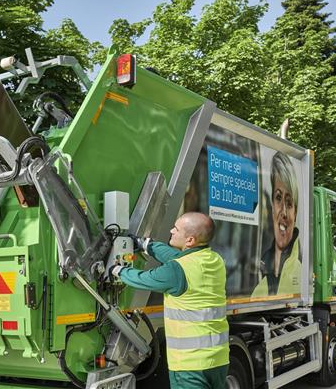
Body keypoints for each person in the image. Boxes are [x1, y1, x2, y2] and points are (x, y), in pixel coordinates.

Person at [111, 212, 229, 389]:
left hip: (190, 365)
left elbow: (143, 278)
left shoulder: (177, 271)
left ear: (189, 241)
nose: (171, 230)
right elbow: (175, 257)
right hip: (218, 361)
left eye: (176, 229)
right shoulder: (214, 260)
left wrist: (117, 270)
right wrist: (146, 245)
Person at [251, 151, 302, 297]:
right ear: (272, 206)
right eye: (278, 198)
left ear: (296, 213)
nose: (284, 212)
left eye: (289, 203)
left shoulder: (303, 268)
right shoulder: (259, 265)